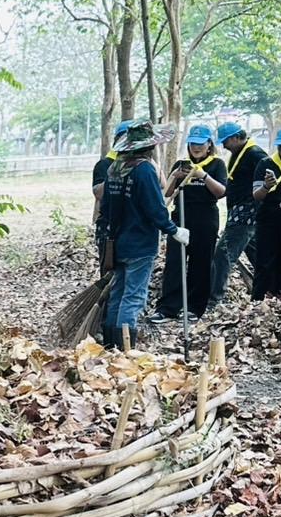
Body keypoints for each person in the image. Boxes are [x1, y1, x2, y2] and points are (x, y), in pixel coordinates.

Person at [98, 120, 187, 349]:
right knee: (134, 296)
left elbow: (105, 206)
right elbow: (154, 208)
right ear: (149, 147)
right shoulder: (145, 170)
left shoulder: (114, 168)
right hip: (140, 243)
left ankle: (111, 345)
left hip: (117, 242)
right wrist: (173, 230)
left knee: (118, 293)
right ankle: (126, 349)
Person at [148, 125, 226, 323]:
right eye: (193, 144)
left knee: (201, 262)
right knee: (175, 261)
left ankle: (194, 306)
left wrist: (202, 176)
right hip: (181, 218)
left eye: (200, 144)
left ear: (209, 145)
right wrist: (176, 176)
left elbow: (220, 192)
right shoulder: (181, 163)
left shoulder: (217, 164)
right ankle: (168, 308)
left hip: (205, 218)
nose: (196, 148)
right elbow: (167, 193)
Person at [206, 122, 270, 314]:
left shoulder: (256, 155)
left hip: (246, 214)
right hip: (240, 212)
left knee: (223, 254)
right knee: (259, 256)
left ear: (235, 138)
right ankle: (269, 291)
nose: (223, 145)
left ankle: (214, 301)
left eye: (225, 141)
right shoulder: (238, 154)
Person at [251, 127, 281, 301]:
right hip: (267, 219)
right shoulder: (265, 163)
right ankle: (258, 301)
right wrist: (266, 186)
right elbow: (256, 195)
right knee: (264, 262)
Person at [92, 120, 133, 267]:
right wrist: (115, 172)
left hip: (132, 228)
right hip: (109, 229)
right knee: (109, 271)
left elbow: (161, 183)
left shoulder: (140, 165)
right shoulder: (104, 164)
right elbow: (98, 193)